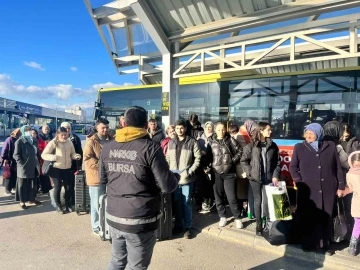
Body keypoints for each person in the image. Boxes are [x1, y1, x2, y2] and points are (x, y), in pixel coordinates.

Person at [99, 106, 179, 270]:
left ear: (124, 123)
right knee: (136, 267)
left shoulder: (108, 147)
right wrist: (175, 176)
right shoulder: (150, 148)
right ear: (145, 126)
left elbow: (102, 179)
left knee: (117, 261)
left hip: (114, 215)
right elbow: (167, 185)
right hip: (140, 219)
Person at [289, 123, 345, 254]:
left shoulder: (330, 146)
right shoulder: (299, 147)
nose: (308, 136)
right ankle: (308, 243)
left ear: (318, 134)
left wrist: (341, 185)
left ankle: (324, 246)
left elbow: (337, 167)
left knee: (326, 217)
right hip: (307, 189)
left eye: (312, 134)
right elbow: (293, 167)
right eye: (307, 133)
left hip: (328, 189)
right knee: (308, 216)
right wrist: (298, 181)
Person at [240, 122, 281, 235]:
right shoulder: (251, 146)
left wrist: (275, 176)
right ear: (261, 131)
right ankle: (258, 224)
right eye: (268, 129)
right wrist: (250, 173)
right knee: (258, 201)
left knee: (267, 202)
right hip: (255, 178)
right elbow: (244, 161)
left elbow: (277, 162)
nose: (271, 131)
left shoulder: (273, 146)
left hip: (268, 178)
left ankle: (267, 223)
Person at [166, 119, 201, 239]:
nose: (179, 130)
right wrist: (167, 172)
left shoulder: (192, 142)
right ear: (174, 129)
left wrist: (190, 172)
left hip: (186, 178)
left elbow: (198, 159)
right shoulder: (171, 142)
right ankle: (178, 225)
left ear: (185, 129)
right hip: (174, 179)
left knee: (186, 203)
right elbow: (168, 158)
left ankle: (188, 227)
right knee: (176, 203)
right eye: (177, 128)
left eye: (181, 128)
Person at [206, 122, 243, 229]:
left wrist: (233, 160)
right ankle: (222, 216)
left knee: (232, 197)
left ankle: (237, 218)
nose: (221, 132)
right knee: (218, 197)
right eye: (218, 129)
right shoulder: (211, 142)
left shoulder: (230, 140)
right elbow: (208, 156)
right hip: (216, 173)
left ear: (225, 130)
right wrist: (208, 166)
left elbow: (240, 150)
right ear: (215, 130)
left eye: (222, 129)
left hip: (229, 173)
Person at [42, 127, 82, 214]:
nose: (64, 137)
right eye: (62, 135)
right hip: (56, 169)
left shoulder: (69, 142)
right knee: (58, 187)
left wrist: (76, 156)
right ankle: (58, 206)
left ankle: (68, 205)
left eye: (65, 135)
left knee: (68, 188)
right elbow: (44, 154)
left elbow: (72, 153)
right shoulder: (53, 142)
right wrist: (53, 157)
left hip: (67, 168)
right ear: (58, 135)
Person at [84, 118, 113, 235]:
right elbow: (87, 159)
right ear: (97, 128)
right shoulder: (91, 141)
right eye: (103, 128)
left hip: (110, 177)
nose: (105, 130)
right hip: (96, 177)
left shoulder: (112, 139)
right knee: (96, 204)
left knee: (107, 202)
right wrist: (102, 167)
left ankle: (106, 225)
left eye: (107, 127)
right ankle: (96, 227)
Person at [13, 125, 40, 209]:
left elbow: (36, 152)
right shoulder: (20, 141)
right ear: (23, 131)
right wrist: (21, 164)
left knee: (32, 183)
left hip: (33, 165)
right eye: (27, 130)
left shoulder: (34, 140)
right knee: (22, 185)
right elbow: (16, 155)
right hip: (24, 167)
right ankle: (22, 201)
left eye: (30, 129)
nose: (29, 131)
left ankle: (31, 199)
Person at [60, 122, 83, 210]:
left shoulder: (75, 138)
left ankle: (71, 202)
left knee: (72, 185)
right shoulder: (57, 139)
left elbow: (79, 152)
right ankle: (63, 203)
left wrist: (80, 165)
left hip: (72, 166)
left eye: (69, 128)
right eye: (65, 128)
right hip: (61, 166)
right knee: (63, 185)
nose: (67, 130)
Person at [229, 124, 248, 217]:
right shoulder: (239, 135)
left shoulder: (238, 137)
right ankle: (243, 208)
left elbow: (243, 151)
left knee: (241, 189)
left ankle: (243, 209)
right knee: (241, 189)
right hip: (240, 167)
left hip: (240, 167)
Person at [197, 121, 215, 212]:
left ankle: (211, 203)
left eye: (210, 127)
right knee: (202, 184)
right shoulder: (200, 138)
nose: (208, 128)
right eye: (207, 127)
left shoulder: (215, 137)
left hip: (212, 163)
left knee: (210, 185)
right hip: (201, 164)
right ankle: (203, 202)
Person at [345, 151, 360, 256]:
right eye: (356, 165)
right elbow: (351, 188)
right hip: (357, 201)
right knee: (358, 223)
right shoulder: (350, 174)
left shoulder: (349, 174)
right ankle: (353, 245)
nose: (358, 167)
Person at [1, 128, 21, 195]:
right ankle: (7, 189)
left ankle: (12, 187)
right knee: (8, 174)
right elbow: (5, 149)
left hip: (15, 160)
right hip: (9, 160)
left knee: (14, 175)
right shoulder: (9, 139)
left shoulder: (18, 139)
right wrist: (4, 158)